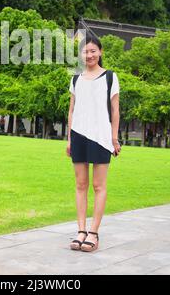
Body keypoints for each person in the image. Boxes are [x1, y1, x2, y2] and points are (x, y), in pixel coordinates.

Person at [66, 33, 121, 253]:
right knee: (81, 185)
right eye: (85, 51)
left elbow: (115, 110)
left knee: (99, 186)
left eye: (92, 51)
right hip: (78, 135)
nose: (89, 55)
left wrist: (114, 137)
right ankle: (80, 230)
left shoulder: (110, 77)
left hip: (101, 136)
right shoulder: (76, 79)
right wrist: (69, 138)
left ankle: (94, 232)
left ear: (100, 52)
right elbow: (71, 110)